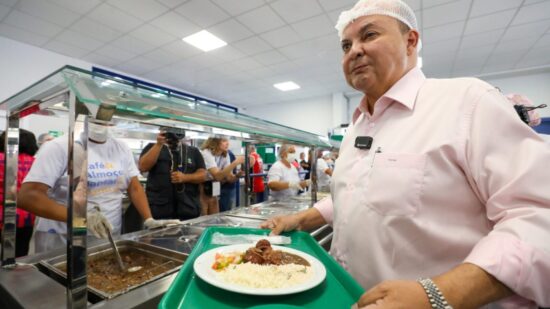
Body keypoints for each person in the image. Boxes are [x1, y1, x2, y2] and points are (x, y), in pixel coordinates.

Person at [261, 1, 550, 308]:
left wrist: (439, 294)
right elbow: (357, 191)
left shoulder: (468, 103)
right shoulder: (357, 126)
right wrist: (304, 218)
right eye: (346, 45)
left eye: (369, 35)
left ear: (411, 41)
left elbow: (538, 217)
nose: (354, 51)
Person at [18, 119, 179, 253]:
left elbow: (134, 187)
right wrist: (80, 218)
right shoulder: (60, 147)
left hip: (108, 236)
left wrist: (149, 219)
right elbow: (28, 197)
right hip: (63, 238)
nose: (102, 121)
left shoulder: (120, 147)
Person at [138, 128, 206, 221]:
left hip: (188, 209)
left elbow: (203, 175)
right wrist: (159, 144)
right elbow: (143, 167)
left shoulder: (193, 151)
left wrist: (185, 178)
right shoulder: (152, 147)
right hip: (159, 211)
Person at [0, 129, 38, 257]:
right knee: (19, 254)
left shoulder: (1, 159)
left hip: (2, 213)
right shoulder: (35, 162)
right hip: (26, 217)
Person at [199, 137, 244, 215]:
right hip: (202, 187)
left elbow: (229, 178)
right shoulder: (206, 153)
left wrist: (237, 175)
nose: (227, 143)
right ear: (215, 142)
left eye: (227, 141)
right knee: (203, 215)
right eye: (224, 141)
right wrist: (235, 163)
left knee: (215, 215)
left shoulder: (225, 155)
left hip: (214, 187)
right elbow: (217, 176)